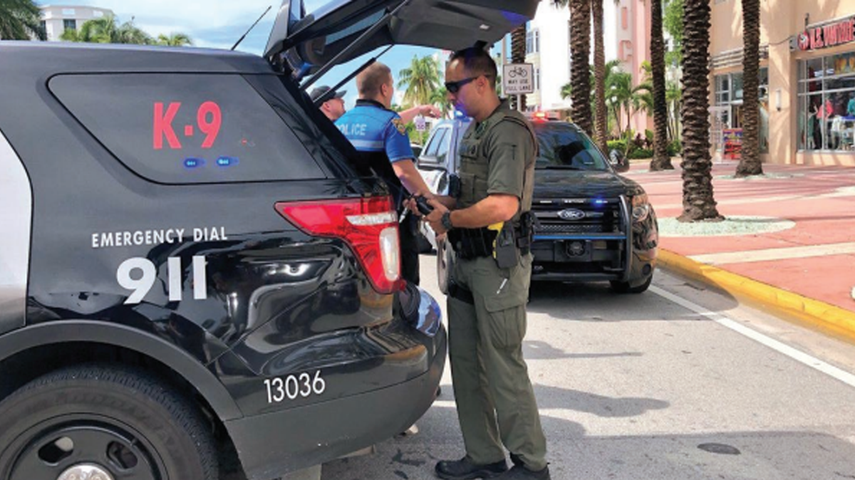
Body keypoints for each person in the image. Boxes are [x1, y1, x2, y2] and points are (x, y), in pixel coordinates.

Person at [424, 47, 550, 480]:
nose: (449, 96)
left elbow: (502, 205)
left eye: (453, 87)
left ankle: (531, 465)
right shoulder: (476, 130)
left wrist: (449, 218)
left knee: (503, 364)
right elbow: (467, 196)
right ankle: (484, 455)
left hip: (498, 265)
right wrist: (434, 203)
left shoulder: (508, 131)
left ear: (481, 82)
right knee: (467, 363)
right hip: (467, 260)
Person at [334, 62, 439, 286]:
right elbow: (405, 173)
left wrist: (418, 110)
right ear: (384, 88)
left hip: (348, 224)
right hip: (388, 224)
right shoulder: (390, 124)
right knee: (404, 289)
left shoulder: (339, 125)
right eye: (391, 86)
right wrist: (435, 206)